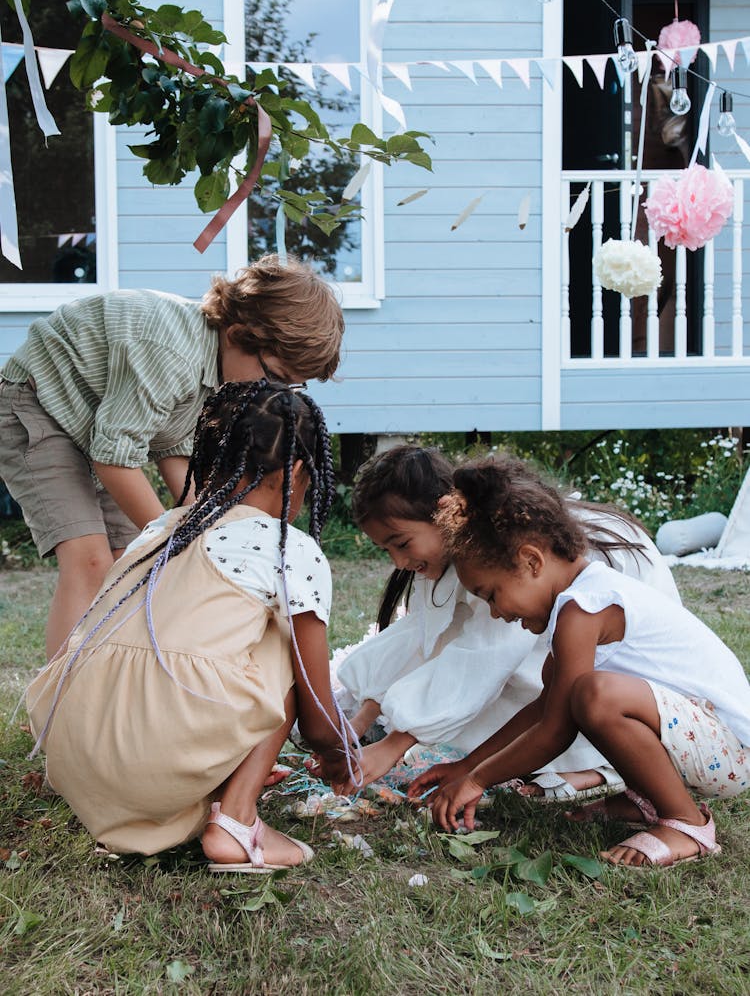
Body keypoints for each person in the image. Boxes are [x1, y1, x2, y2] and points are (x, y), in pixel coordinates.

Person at [26, 380, 359, 872]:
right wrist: (337, 754)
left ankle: (210, 789)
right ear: (296, 473)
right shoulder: (286, 548)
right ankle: (236, 821)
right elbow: (314, 706)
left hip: (76, 760)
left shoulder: (161, 529)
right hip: (155, 760)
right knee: (285, 639)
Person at [409, 456, 750, 869]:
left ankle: (686, 823)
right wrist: (465, 766)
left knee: (594, 695)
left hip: (732, 751)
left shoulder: (584, 609)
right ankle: (643, 799)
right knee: (578, 693)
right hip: (704, 744)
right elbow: (543, 711)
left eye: (492, 594)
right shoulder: (576, 606)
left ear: (532, 561)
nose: (496, 613)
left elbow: (556, 730)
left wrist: (479, 780)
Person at [0, 254, 344, 658]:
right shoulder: (172, 356)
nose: (273, 394)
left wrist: (207, 528)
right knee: (89, 560)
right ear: (237, 335)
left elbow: (174, 453)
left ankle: (103, 677)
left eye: (290, 387)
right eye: (274, 377)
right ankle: (58, 709)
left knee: (125, 561)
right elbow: (114, 460)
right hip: (37, 404)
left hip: (95, 426)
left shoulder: (222, 374)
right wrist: (176, 542)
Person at [335, 444, 680, 799]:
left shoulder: (502, 551)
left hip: (643, 692)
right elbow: (425, 635)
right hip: (583, 665)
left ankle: (593, 768)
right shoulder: (465, 550)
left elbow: (486, 655)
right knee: (451, 719)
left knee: (467, 726)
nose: (399, 561)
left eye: (402, 543)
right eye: (387, 550)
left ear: (443, 514)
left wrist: (398, 742)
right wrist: (362, 719)